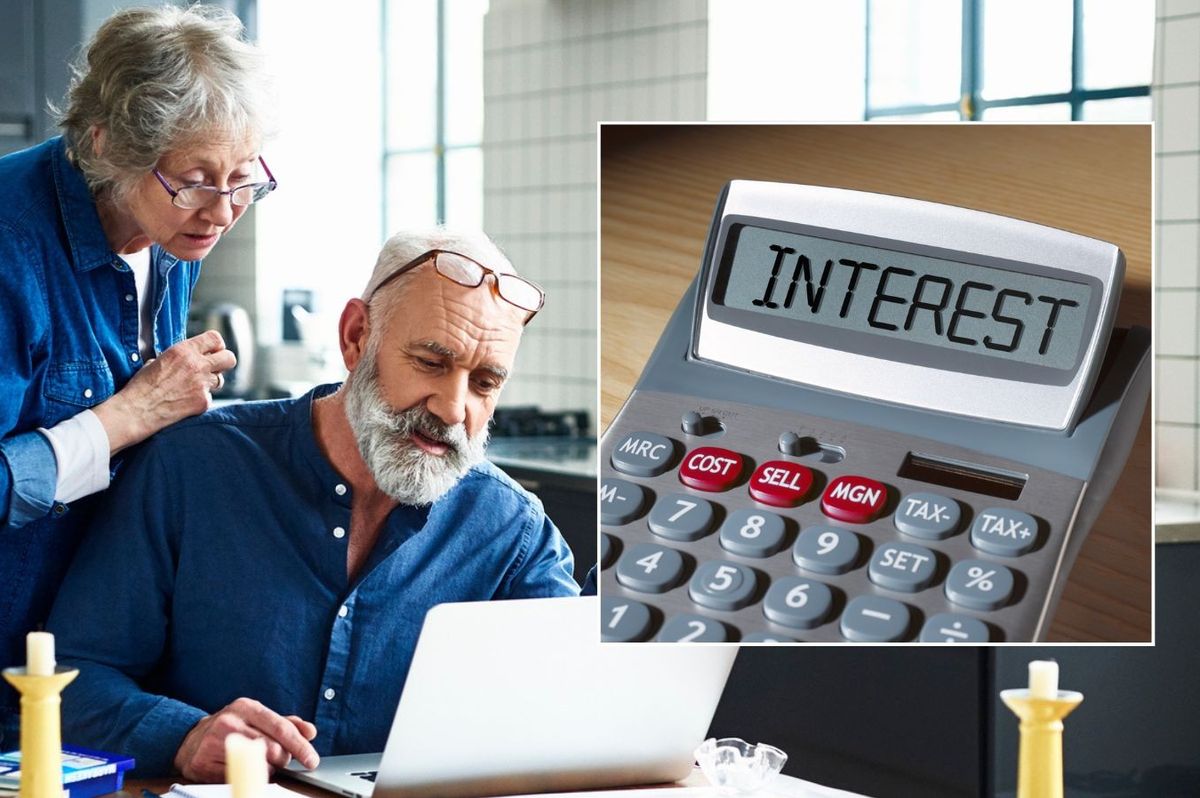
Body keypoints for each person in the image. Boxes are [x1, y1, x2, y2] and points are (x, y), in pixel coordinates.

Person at [47, 229, 579, 779]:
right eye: (429, 362)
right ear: (355, 337)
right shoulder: (190, 466)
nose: (451, 408)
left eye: (484, 383)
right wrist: (182, 734)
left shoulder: (510, 530)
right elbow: (68, 679)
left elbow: (580, 701)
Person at [0, 5, 278, 745]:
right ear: (106, 146)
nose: (221, 212)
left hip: (94, 663)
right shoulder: (7, 249)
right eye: (192, 181)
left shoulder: (172, 228)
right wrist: (132, 413)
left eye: (243, 180)